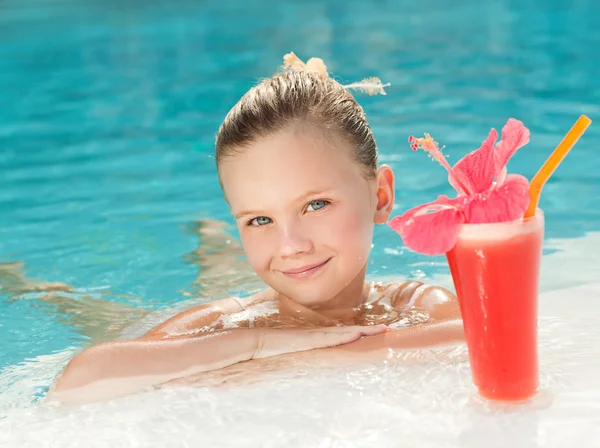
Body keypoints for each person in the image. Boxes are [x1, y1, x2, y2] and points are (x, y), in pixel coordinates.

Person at [49, 52, 464, 405]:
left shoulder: (412, 305)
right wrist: (258, 344)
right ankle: (39, 288)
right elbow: (81, 379)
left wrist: (302, 358)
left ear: (381, 196)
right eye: (259, 220)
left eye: (315, 204)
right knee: (93, 314)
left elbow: (477, 337)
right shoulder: (233, 323)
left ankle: (213, 244)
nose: (291, 246)